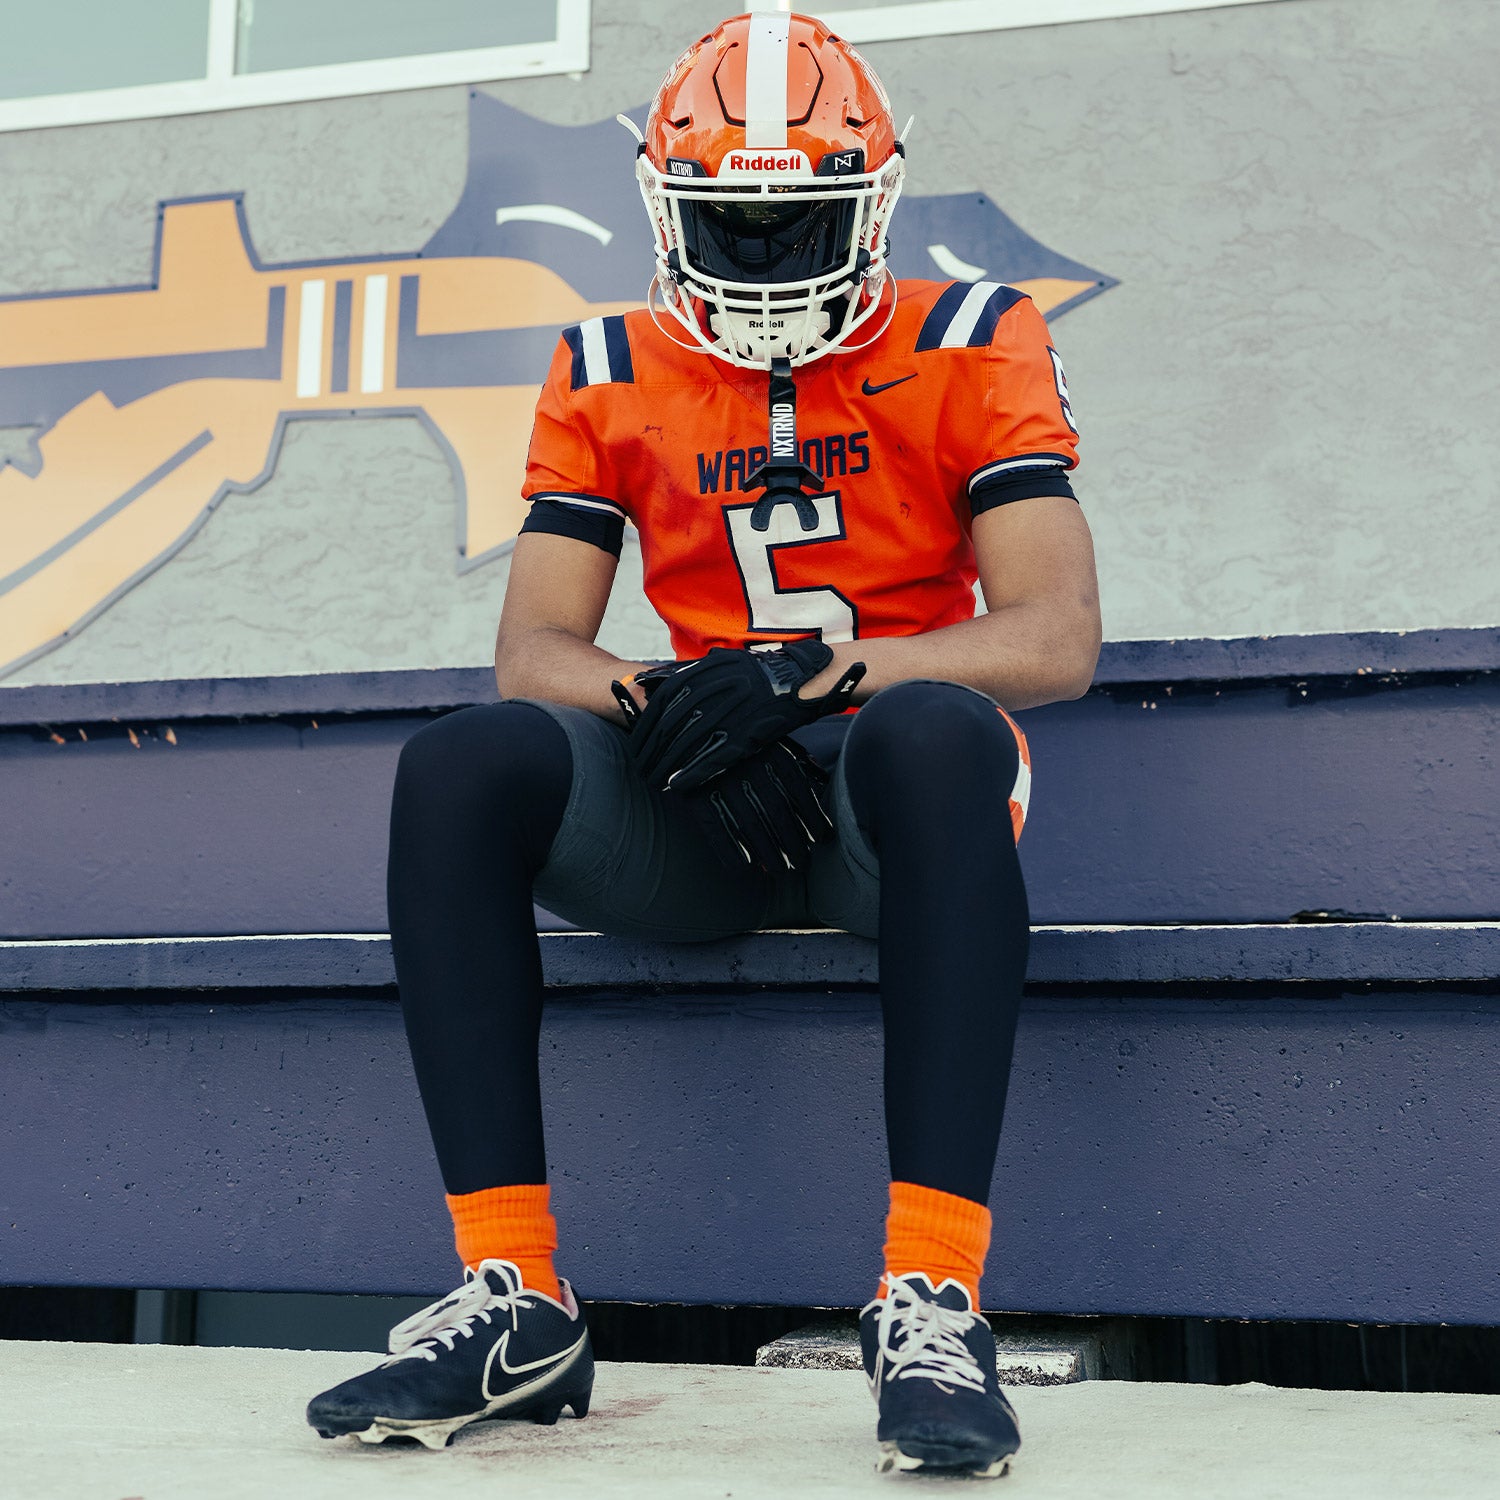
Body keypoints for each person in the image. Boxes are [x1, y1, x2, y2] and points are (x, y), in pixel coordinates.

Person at [307, 10, 1100, 1479]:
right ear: (666, 209)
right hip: (703, 804)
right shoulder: (608, 358)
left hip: (889, 794)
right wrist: (668, 708)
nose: (760, 255)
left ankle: (931, 1298)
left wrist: (807, 687)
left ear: (870, 201)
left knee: (932, 734)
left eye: (794, 221)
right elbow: (535, 650)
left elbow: (1052, 637)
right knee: (461, 760)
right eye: (728, 223)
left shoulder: (971, 331)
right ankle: (517, 1299)